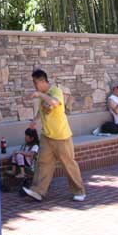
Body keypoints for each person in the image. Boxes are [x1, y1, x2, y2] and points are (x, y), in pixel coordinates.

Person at [22, 69, 87, 202]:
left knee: (69, 164)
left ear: (42, 81)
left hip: (62, 136)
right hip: (47, 136)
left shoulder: (55, 91)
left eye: (35, 82)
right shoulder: (43, 95)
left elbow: (54, 102)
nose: (34, 85)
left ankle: (79, 191)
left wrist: (39, 94)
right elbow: (43, 111)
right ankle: (38, 191)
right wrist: (35, 121)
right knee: (43, 163)